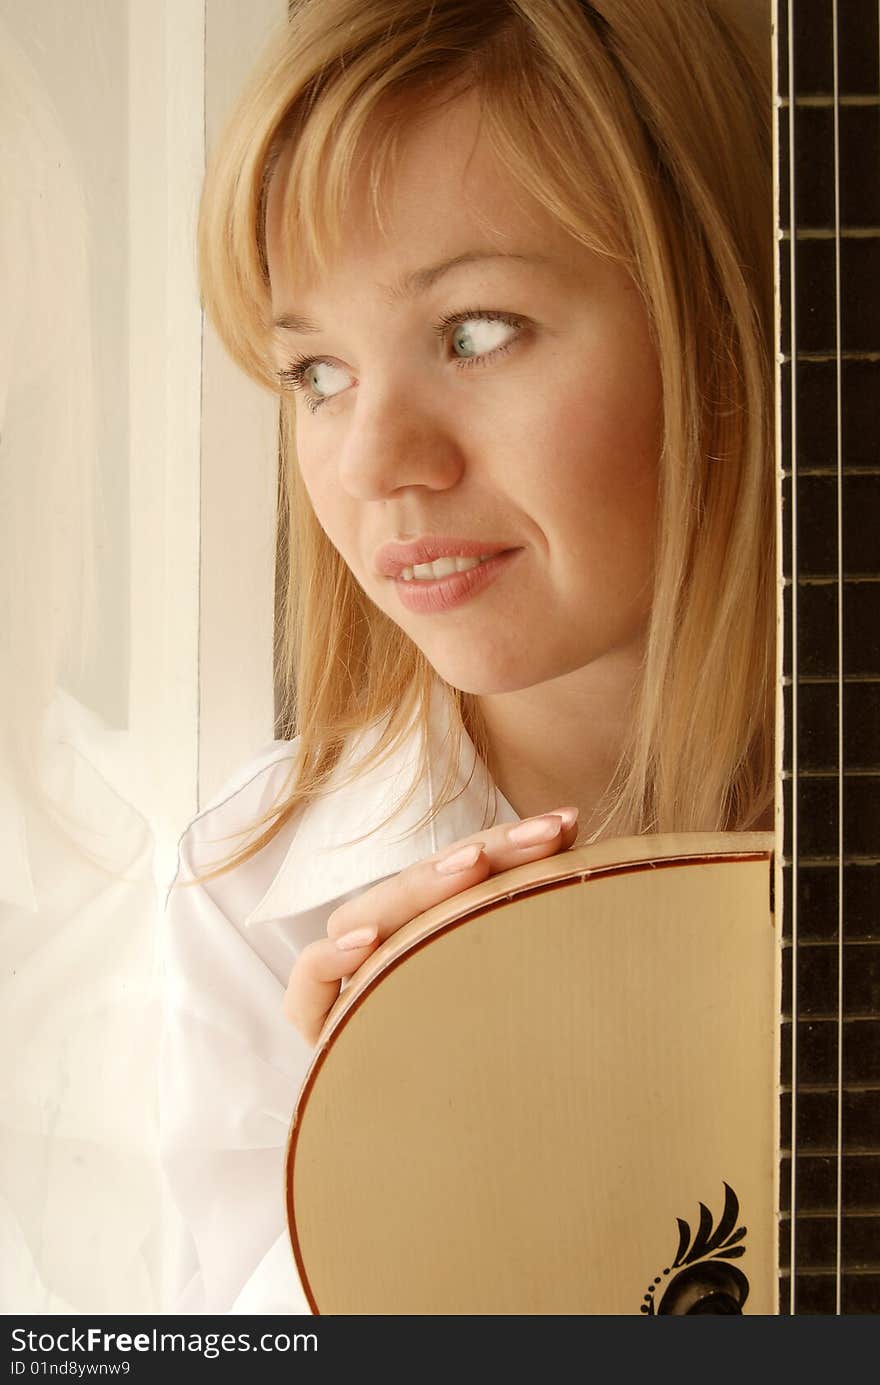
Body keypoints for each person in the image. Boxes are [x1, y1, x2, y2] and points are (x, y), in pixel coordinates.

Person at [159, 0, 774, 1314]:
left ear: (725, 324)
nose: (373, 464)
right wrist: (385, 1168)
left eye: (476, 333)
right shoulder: (250, 898)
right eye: (316, 373)